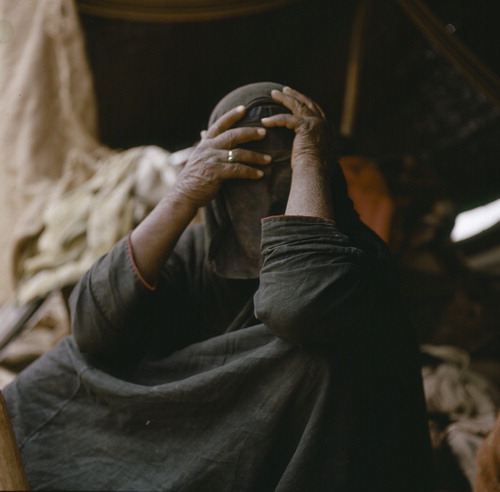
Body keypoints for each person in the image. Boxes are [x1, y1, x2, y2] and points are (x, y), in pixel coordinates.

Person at [4, 82, 434, 491]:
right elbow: (93, 328)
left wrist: (309, 160)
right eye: (246, 173)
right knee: (67, 364)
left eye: (283, 173)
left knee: (315, 361)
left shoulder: (355, 254)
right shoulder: (199, 247)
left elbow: (298, 307)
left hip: (286, 448)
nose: (265, 197)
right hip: (198, 435)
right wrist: (183, 195)